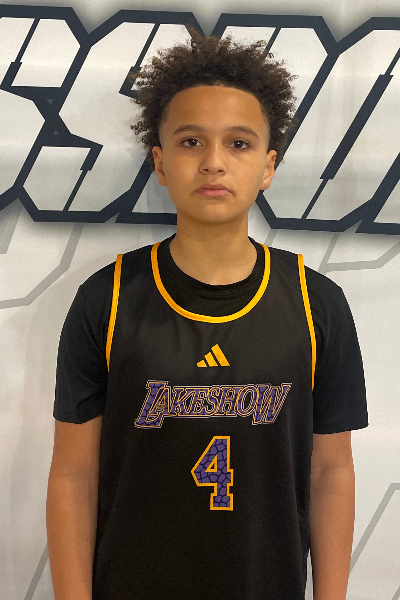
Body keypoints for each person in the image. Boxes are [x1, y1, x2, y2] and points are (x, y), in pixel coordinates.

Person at [46, 29, 368, 600]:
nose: (214, 162)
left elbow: (330, 472)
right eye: (191, 141)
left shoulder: (316, 303)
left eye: (239, 144)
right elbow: (75, 474)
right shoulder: (108, 298)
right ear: (160, 161)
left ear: (268, 166)